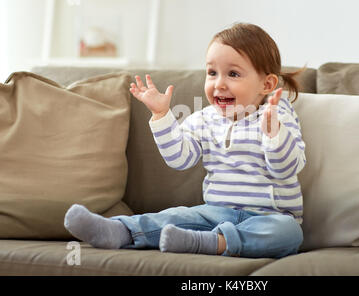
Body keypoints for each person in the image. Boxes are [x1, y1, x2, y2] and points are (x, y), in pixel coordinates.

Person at [64, 23, 306, 258]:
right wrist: (161, 115)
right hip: (214, 214)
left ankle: (212, 243)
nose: (219, 83)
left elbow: (286, 169)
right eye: (212, 72)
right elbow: (180, 158)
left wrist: (274, 134)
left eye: (233, 74)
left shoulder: (278, 115)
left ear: (267, 84)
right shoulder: (204, 118)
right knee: (175, 216)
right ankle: (119, 230)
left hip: (269, 217)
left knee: (289, 233)